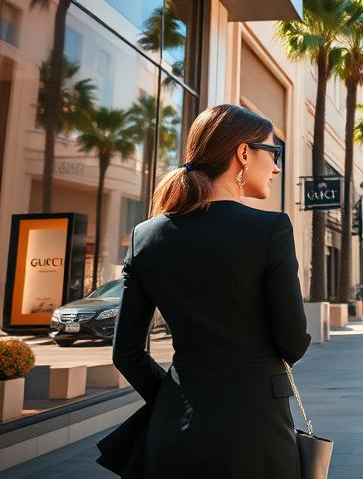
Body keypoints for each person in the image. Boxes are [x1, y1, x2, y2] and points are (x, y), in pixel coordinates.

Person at [110, 104, 310, 478]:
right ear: (244, 153)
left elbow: (126, 355)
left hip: (173, 431)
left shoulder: (145, 237)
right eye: (274, 152)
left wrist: (173, 397)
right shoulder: (270, 230)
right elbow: (293, 343)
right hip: (255, 431)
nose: (277, 167)